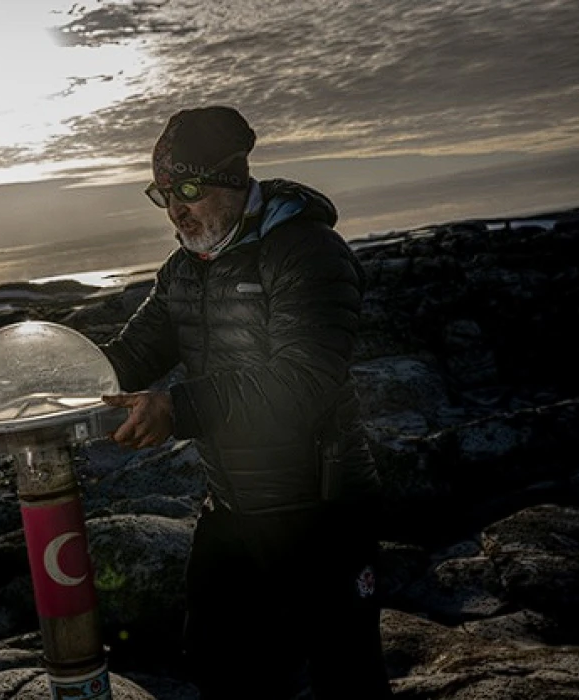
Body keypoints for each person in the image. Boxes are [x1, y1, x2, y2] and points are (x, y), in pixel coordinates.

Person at [99, 106, 393, 699]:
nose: (175, 210)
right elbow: (129, 356)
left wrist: (176, 409)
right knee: (219, 667)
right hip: (232, 509)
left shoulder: (308, 251)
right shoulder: (183, 271)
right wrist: (54, 377)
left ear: (233, 178)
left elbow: (301, 381)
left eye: (187, 190)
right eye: (162, 195)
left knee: (345, 675)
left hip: (323, 511)